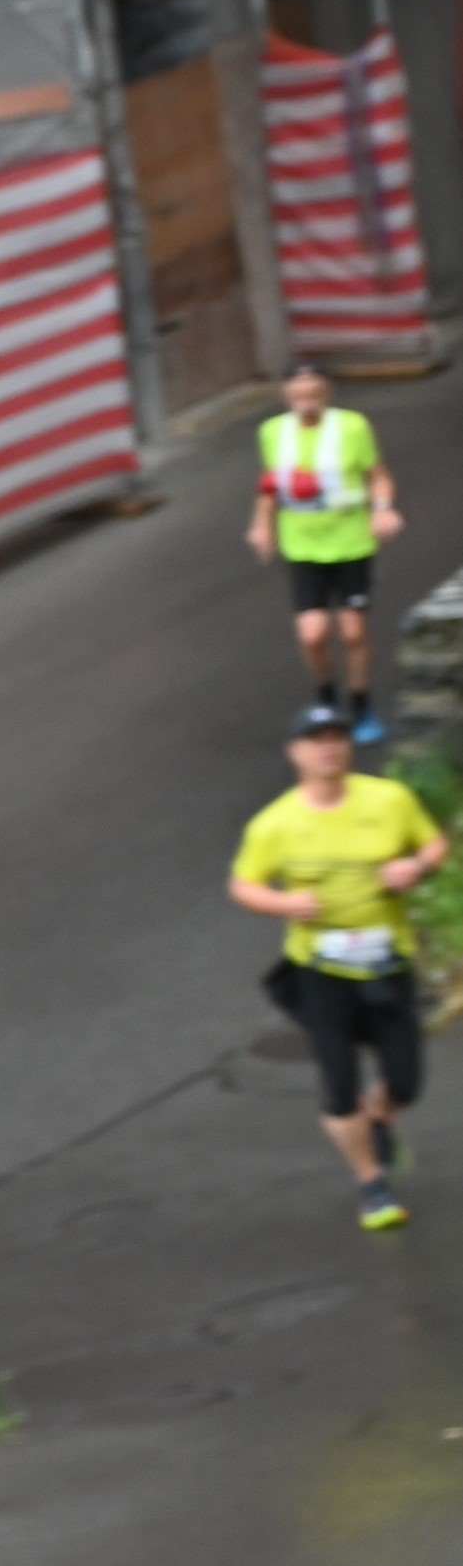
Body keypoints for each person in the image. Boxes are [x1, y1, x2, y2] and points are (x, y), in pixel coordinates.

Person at [228, 703, 445, 1229]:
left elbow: (434, 843)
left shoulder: (389, 800)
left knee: (407, 1081)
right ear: (295, 753)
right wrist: (283, 906)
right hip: (319, 970)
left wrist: (414, 866)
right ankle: (371, 1183)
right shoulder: (275, 824)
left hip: (386, 963)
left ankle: (380, 1116)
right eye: (315, 739)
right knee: (338, 1079)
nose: (328, 747)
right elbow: (244, 884)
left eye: (337, 737)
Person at [246, 374, 400, 734]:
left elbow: (377, 475)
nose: (306, 402)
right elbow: (270, 484)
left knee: (352, 632)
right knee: (312, 634)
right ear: (286, 397)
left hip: (351, 542)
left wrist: (382, 509)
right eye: (298, 395)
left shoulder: (351, 427)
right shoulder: (272, 432)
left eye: (313, 394)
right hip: (302, 546)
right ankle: (326, 697)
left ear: (326, 395)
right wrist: (262, 525)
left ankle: (361, 704)